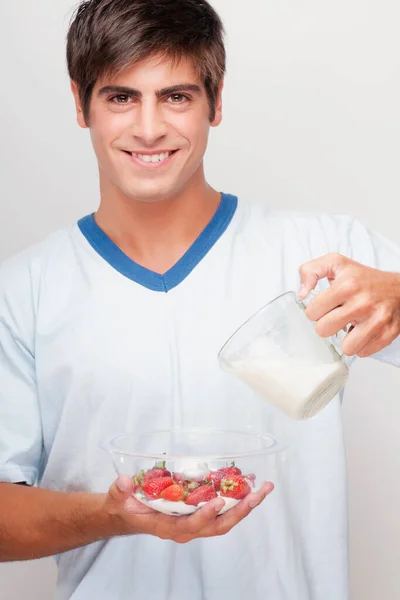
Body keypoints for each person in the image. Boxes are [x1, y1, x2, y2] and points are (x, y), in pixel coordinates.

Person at [0, 0, 399, 598]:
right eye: (121, 97)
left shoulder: (325, 252)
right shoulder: (24, 291)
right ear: (80, 103)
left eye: (177, 97)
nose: (149, 128)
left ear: (216, 102)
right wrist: (113, 515)